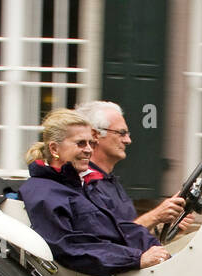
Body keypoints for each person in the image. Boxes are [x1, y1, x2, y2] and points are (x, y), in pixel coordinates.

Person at [18, 108, 171, 276]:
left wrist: (155, 247)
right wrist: (136, 258)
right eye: (81, 143)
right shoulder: (42, 192)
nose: (89, 150)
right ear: (54, 149)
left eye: (91, 143)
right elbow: (67, 247)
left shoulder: (83, 186)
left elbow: (120, 228)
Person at [75, 100, 192, 235]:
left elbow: (130, 235)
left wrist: (162, 226)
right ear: (95, 135)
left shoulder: (109, 181)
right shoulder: (86, 184)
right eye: (121, 133)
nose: (128, 140)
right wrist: (155, 216)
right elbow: (107, 241)